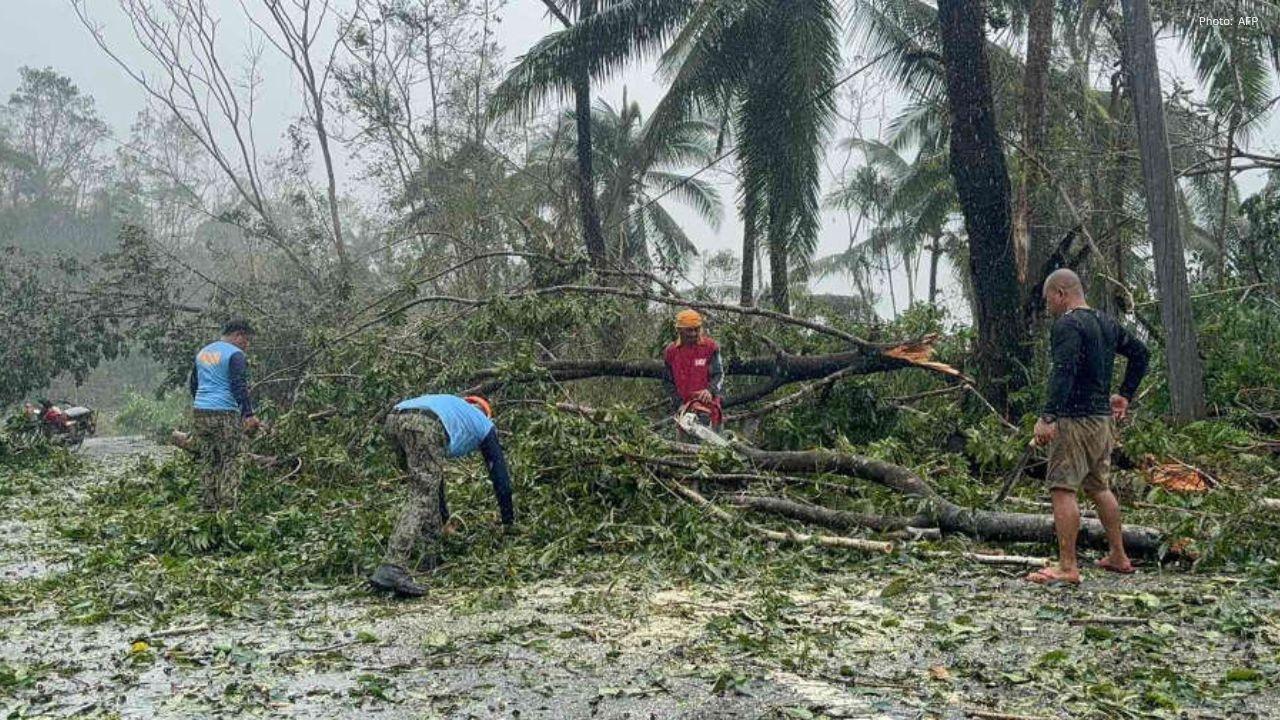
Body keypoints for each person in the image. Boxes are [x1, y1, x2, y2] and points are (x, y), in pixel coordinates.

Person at [1026, 269, 1149, 586]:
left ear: (1060, 293)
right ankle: (1119, 556)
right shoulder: (1105, 323)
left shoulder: (1067, 324)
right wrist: (1125, 394)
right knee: (1099, 487)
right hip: (1101, 421)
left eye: (1048, 299)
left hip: (1075, 421)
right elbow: (1140, 353)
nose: (1048, 306)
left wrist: (1048, 416)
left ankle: (1067, 566)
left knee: (1063, 488)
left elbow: (1063, 371)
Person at [371, 394, 515, 597]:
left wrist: (445, 519)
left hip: (394, 418)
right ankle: (392, 567)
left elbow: (435, 480)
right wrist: (508, 523)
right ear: (486, 413)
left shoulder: (452, 408)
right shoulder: (483, 423)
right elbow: (501, 480)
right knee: (421, 494)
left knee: (425, 486)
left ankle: (430, 555)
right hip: (424, 423)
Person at [189, 319, 261, 512]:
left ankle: (207, 506)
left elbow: (193, 384)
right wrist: (248, 414)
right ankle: (228, 507)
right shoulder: (235, 354)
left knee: (209, 457)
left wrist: (201, 404)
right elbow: (238, 385)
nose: (247, 345)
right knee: (232, 456)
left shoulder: (203, 353)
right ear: (238, 335)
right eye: (246, 340)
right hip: (224, 412)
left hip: (200, 411)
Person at [663, 309, 725, 431]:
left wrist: (709, 390)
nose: (693, 333)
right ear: (679, 330)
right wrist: (679, 404)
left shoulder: (710, 347)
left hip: (709, 408)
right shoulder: (671, 352)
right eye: (689, 330)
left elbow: (719, 374)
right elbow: (668, 382)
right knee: (684, 447)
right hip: (684, 409)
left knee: (713, 447)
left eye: (696, 329)